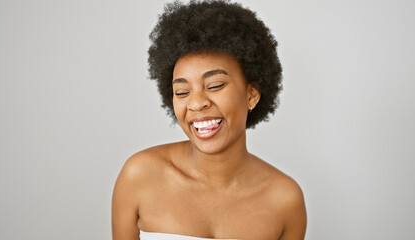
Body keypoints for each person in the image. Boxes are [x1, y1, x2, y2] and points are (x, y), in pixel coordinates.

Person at [112, 1, 307, 239]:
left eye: (214, 86)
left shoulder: (285, 200)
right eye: (182, 92)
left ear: (251, 95)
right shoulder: (140, 176)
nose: (196, 103)